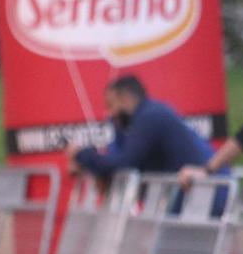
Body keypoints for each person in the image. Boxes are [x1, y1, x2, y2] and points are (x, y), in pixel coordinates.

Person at [72, 75, 212, 183]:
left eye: (110, 105)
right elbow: (117, 157)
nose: (110, 114)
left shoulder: (150, 117)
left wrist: (81, 154)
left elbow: (123, 164)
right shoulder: (147, 114)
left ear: (126, 98)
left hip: (204, 196)